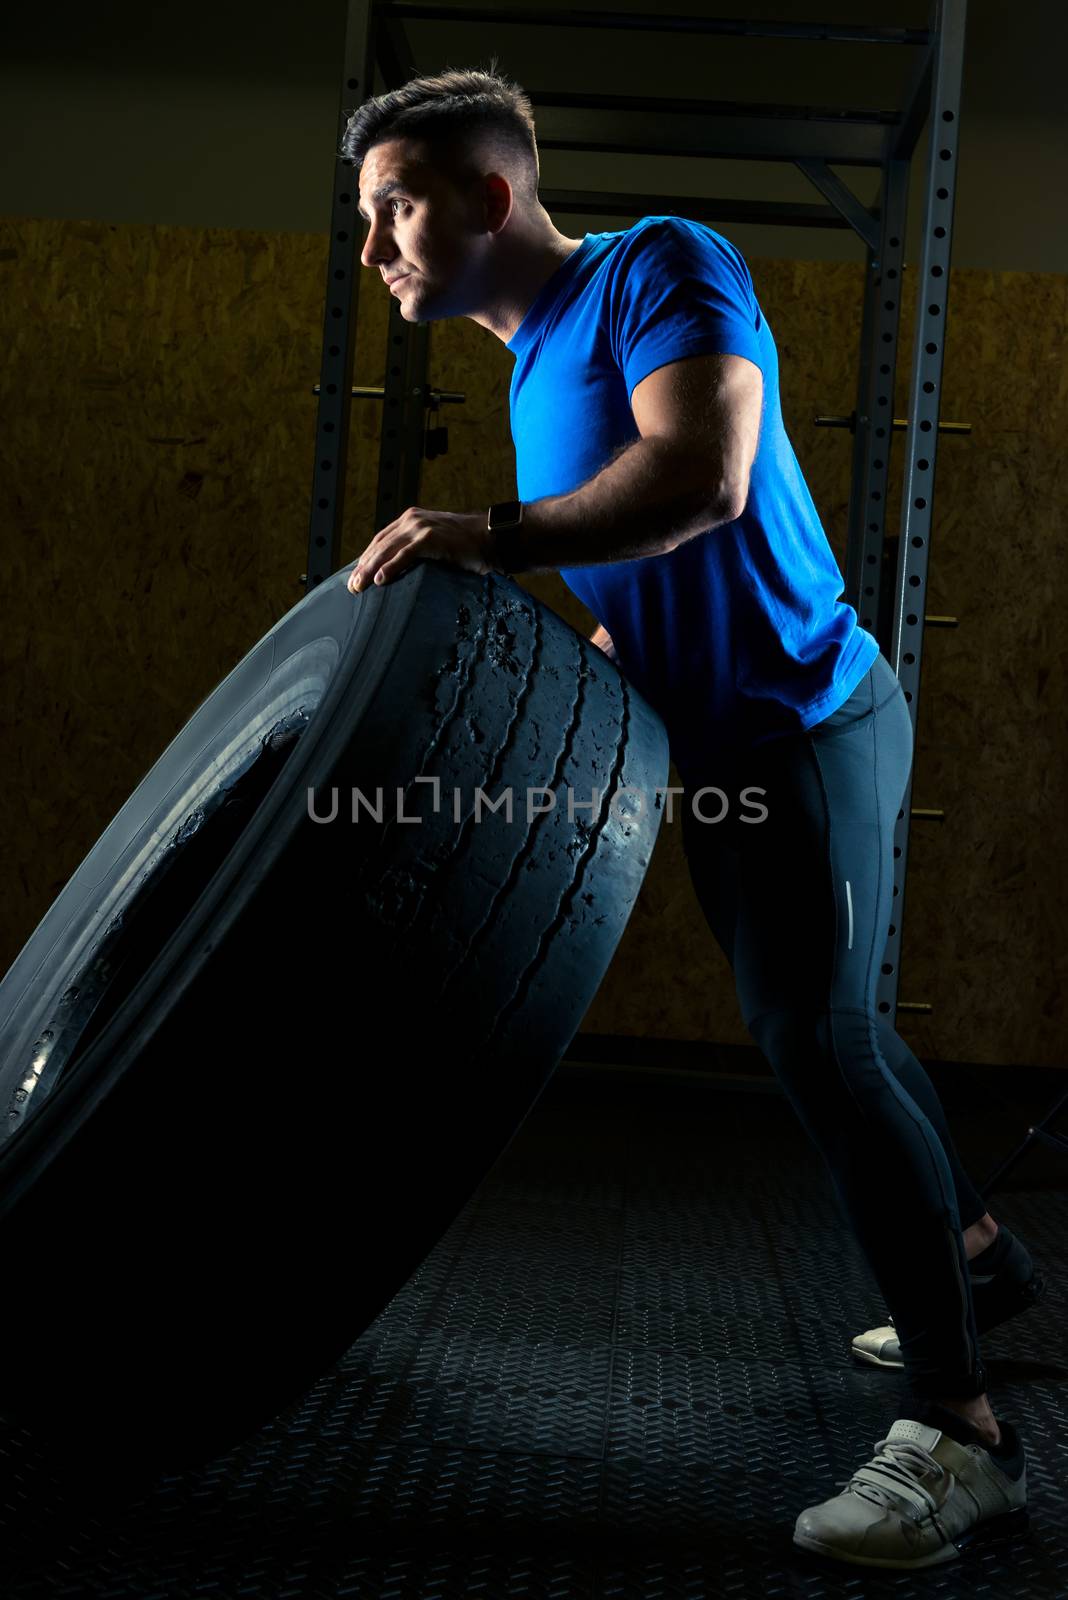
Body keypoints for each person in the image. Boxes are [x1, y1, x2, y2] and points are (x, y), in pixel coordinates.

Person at [340, 67, 1043, 1568]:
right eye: (369, 216)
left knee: (817, 1035)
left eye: (395, 205)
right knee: (830, 1017)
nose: (377, 245)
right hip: (720, 735)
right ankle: (977, 1258)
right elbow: (642, 575)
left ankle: (964, 1431)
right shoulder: (528, 374)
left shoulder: (657, 264)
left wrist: (494, 537)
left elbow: (705, 479)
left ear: (488, 195)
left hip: (808, 719)